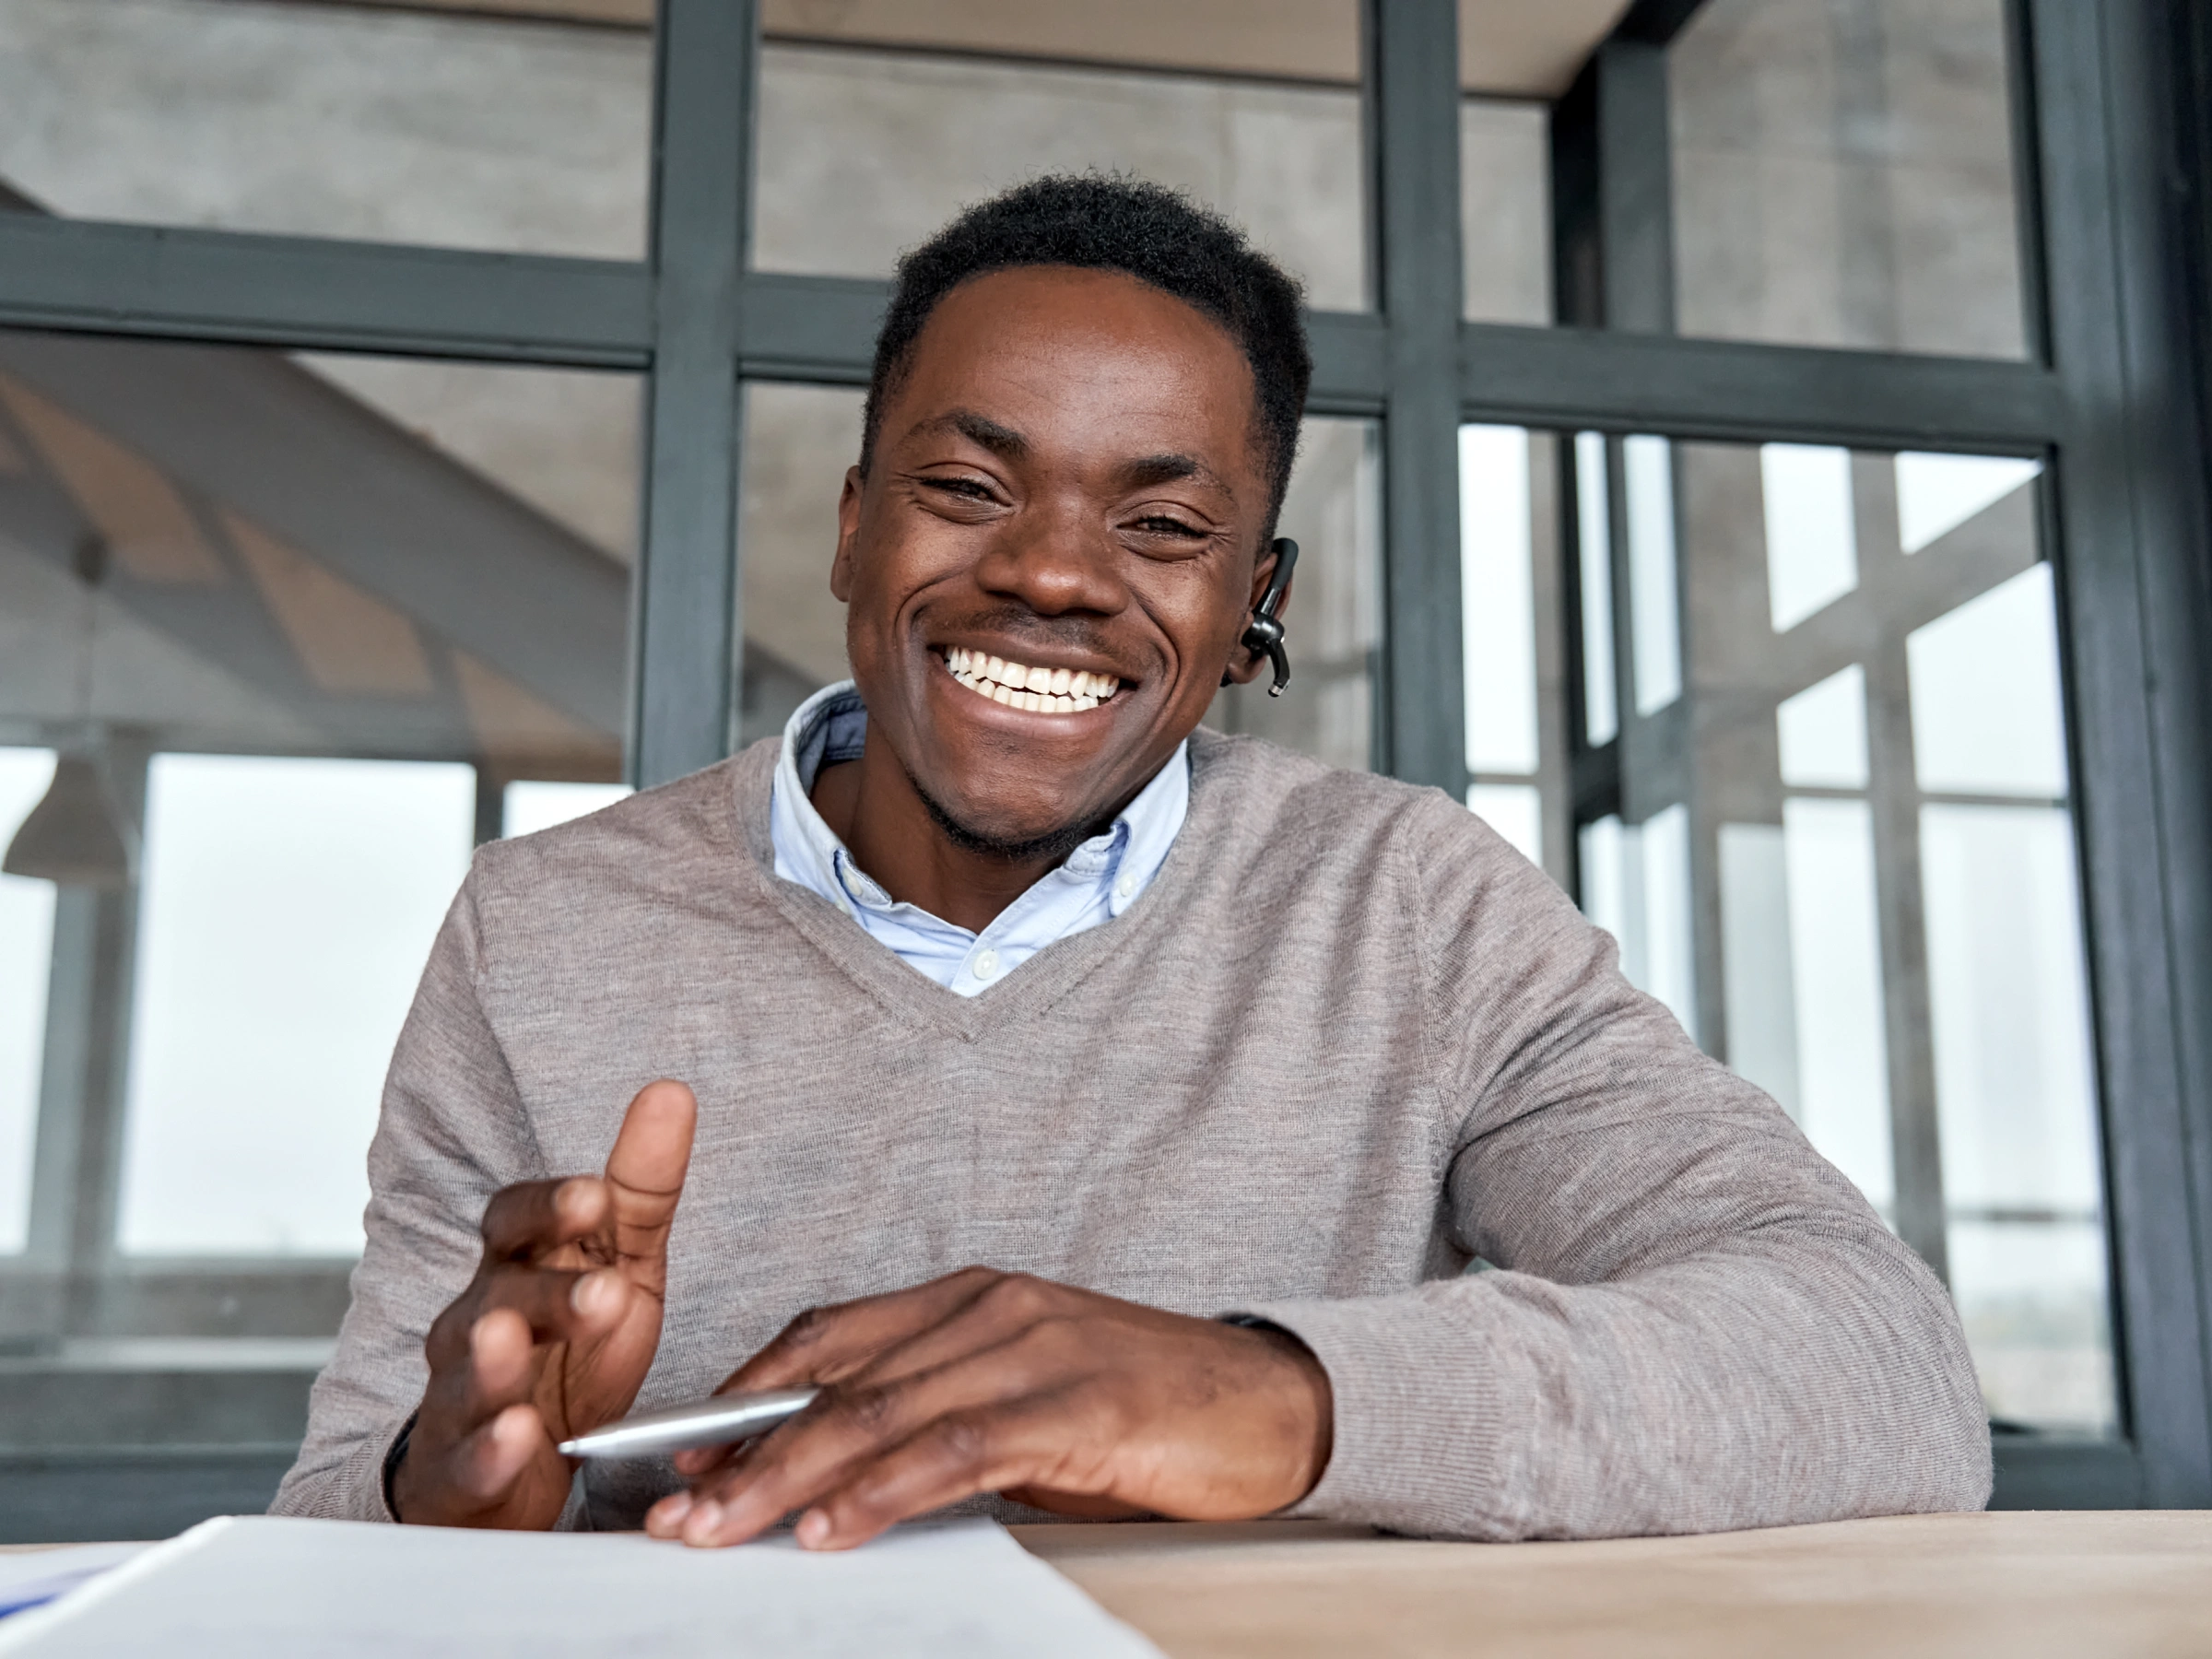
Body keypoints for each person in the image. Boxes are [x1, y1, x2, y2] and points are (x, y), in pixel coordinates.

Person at [272, 176, 1989, 1548]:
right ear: (855, 524)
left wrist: (1266, 1392)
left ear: (1256, 610)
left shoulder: (1413, 909)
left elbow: (1882, 1370)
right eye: (966, 485)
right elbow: (340, 1511)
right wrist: (467, 1489)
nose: (1055, 578)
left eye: (1163, 527)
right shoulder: (542, 928)